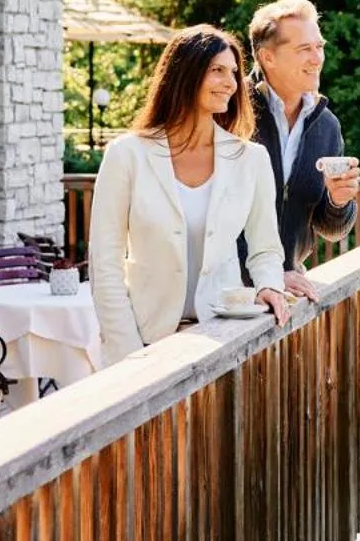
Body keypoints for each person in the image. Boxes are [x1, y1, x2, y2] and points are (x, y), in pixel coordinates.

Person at [90, 24, 288, 364]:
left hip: (221, 339)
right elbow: (105, 263)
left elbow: (266, 249)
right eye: (217, 71)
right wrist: (129, 352)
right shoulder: (127, 154)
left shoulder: (251, 159)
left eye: (234, 73)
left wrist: (269, 285)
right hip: (143, 340)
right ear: (185, 74)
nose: (231, 83)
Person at [244, 0, 360, 297]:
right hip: (230, 292)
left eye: (319, 46)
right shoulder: (231, 111)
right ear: (268, 57)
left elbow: (331, 229)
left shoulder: (327, 125)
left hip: (289, 288)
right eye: (304, 49)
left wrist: (338, 200)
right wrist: (269, 275)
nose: (317, 58)